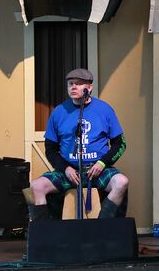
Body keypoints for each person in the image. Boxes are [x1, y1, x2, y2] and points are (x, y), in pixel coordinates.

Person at [27, 68, 129, 221]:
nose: (73, 87)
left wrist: (102, 163)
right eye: (70, 84)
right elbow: (50, 149)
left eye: (79, 84)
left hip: (97, 170)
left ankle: (104, 229)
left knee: (122, 182)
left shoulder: (104, 110)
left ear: (89, 88)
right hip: (69, 171)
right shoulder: (59, 112)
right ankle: (44, 234)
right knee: (34, 187)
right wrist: (65, 168)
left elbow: (119, 144)